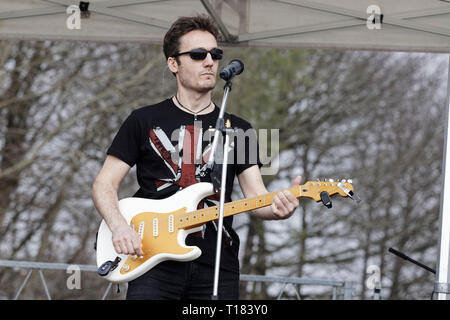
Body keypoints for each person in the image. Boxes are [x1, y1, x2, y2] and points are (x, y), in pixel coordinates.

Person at [91, 14, 301, 300]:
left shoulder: (240, 129)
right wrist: (118, 227)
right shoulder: (142, 120)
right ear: (173, 63)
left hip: (217, 266)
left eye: (215, 54)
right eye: (198, 54)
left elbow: (257, 198)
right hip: (153, 261)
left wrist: (279, 208)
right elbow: (103, 183)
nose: (210, 62)